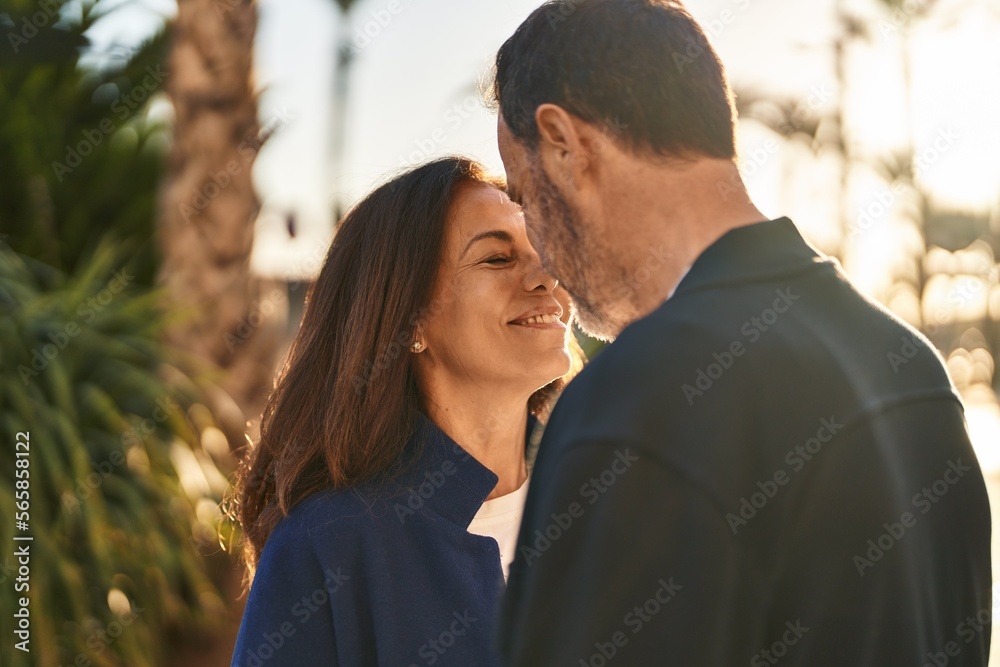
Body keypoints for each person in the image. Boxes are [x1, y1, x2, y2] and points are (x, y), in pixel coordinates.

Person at [490, 1, 992, 664]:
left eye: (524, 196)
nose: (539, 249)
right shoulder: (913, 371)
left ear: (563, 142)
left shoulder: (639, 397)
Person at [229, 156, 582, 666]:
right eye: (497, 259)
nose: (547, 276)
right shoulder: (328, 546)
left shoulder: (606, 507)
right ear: (410, 321)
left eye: (546, 250)